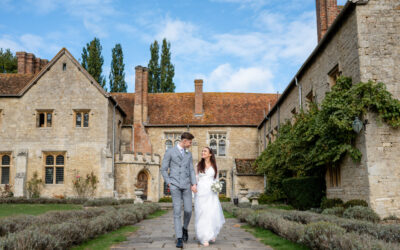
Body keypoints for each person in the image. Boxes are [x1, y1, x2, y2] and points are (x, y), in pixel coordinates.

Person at [160, 132, 197, 248]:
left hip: (186, 185)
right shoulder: (170, 152)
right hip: (174, 185)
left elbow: (191, 170)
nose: (190, 145)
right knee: (177, 212)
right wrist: (168, 182)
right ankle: (179, 237)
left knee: (188, 210)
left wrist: (194, 183)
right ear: (184, 141)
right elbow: (164, 169)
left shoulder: (188, 154)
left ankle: (185, 228)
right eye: (190, 143)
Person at [194, 147, 225, 246]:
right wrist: (194, 189)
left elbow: (216, 179)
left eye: (205, 151)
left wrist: (217, 187)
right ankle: (203, 237)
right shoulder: (198, 165)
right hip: (201, 193)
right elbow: (196, 179)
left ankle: (211, 234)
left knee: (212, 213)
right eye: (202, 151)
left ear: (210, 154)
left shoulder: (215, 166)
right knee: (202, 214)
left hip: (211, 193)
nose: (202, 152)